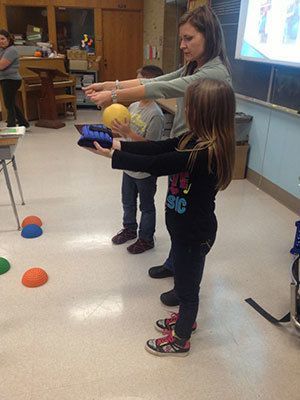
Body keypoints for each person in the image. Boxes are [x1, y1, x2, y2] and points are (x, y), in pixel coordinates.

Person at [84, 5, 231, 307]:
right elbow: (152, 82)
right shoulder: (194, 65)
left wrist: (112, 98)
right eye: (181, 39)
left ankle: (185, 278)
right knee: (176, 210)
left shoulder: (212, 73)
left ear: (209, 36)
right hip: (182, 143)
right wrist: (110, 85)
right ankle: (175, 263)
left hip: (195, 153)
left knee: (189, 217)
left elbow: (159, 87)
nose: (182, 45)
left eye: (189, 38)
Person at [84, 78, 236, 356]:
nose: (185, 111)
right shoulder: (191, 138)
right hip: (182, 228)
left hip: (194, 232)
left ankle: (180, 340)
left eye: (190, 106)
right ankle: (184, 323)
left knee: (188, 291)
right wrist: (119, 144)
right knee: (183, 279)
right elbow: (158, 148)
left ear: (205, 112)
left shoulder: (204, 152)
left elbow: (156, 164)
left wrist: (111, 156)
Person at [110, 65, 165, 254]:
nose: (135, 88)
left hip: (145, 170)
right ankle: (130, 229)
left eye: (140, 82)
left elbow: (152, 146)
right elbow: (126, 136)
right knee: (127, 201)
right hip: (128, 164)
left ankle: (146, 238)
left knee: (146, 206)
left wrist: (128, 132)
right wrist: (117, 131)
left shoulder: (156, 115)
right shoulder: (133, 106)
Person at [0, 29, 29, 129]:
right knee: (10, 102)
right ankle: (24, 123)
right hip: (5, 79)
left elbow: (1, 66)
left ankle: (11, 126)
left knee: (8, 104)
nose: (1, 41)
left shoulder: (11, 50)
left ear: (8, 39)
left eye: (3, 39)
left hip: (11, 80)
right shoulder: (3, 50)